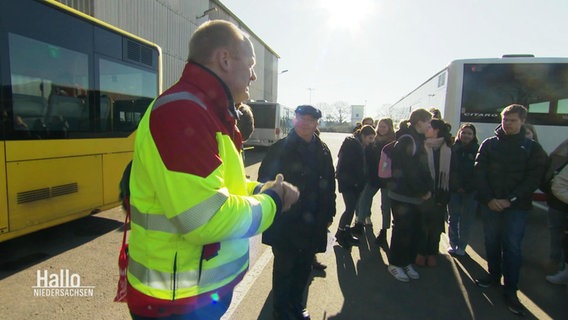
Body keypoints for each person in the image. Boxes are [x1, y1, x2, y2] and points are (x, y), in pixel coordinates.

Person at [126, 20, 299, 320]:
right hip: (174, 302)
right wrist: (273, 202)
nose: (254, 75)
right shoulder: (184, 112)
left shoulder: (210, 112)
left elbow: (224, 186)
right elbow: (204, 219)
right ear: (225, 59)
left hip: (191, 295)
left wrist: (259, 190)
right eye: (251, 65)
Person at [258, 104, 336, 320]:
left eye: (310, 120)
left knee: (303, 268)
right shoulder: (281, 147)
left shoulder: (323, 149)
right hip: (287, 221)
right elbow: (264, 180)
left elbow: (330, 183)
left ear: (316, 123)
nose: (304, 123)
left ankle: (296, 305)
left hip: (314, 221)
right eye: (301, 118)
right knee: (284, 269)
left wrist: (330, 212)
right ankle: (280, 311)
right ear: (295, 120)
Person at [474, 104, 548, 316]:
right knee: (491, 241)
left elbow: (533, 179)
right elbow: (479, 173)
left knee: (512, 247)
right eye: (505, 120)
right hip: (491, 204)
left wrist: (510, 199)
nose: (508, 124)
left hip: (517, 207)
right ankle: (493, 275)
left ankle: (511, 289)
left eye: (513, 120)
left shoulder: (532, 148)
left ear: (523, 121)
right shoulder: (489, 145)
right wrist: (489, 198)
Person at [386, 109, 433, 282]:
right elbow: (409, 171)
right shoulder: (407, 139)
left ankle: (406, 262)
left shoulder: (418, 139)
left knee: (413, 231)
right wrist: (423, 190)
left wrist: (428, 188)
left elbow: (423, 168)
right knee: (402, 231)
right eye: (428, 121)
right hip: (402, 196)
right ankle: (395, 264)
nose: (430, 125)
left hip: (413, 196)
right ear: (419, 122)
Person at [352, 118, 396, 245]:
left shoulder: (393, 142)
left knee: (385, 206)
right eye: (380, 126)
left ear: (390, 128)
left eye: (384, 126)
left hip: (387, 179)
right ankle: (359, 223)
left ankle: (384, 230)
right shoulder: (373, 140)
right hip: (373, 177)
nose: (381, 129)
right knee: (364, 199)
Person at [415, 118, 452, 267]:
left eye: (430, 127)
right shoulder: (421, 146)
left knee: (436, 226)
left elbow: (454, 173)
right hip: (424, 193)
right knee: (422, 225)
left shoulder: (449, 148)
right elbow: (417, 171)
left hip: (441, 193)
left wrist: (446, 194)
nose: (426, 129)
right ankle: (420, 252)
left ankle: (432, 253)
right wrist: (422, 190)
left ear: (436, 130)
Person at [335, 125, 376, 249]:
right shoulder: (352, 144)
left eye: (373, 138)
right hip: (349, 182)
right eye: (370, 138)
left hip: (356, 182)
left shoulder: (361, 145)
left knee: (351, 209)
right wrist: (355, 180)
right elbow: (348, 164)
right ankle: (340, 232)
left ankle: (345, 232)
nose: (371, 141)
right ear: (363, 135)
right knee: (349, 208)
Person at [447, 123, 479, 256]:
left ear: (473, 136)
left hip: (470, 191)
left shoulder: (478, 150)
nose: (466, 135)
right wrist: (456, 186)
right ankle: (453, 243)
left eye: (469, 133)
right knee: (453, 218)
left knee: (466, 219)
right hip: (454, 190)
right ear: (459, 133)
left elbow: (479, 172)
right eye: (464, 132)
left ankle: (462, 245)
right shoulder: (451, 149)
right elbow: (449, 170)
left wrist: (467, 187)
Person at [546, 163, 568, 284]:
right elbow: (558, 185)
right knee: (559, 237)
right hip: (559, 206)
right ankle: (558, 268)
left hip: (558, 205)